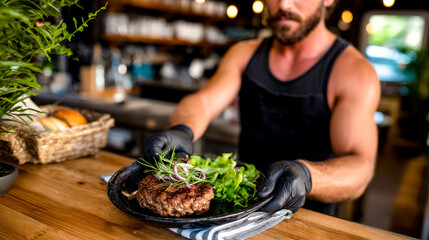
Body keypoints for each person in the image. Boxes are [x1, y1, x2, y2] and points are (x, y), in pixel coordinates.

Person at [143, 0, 380, 216]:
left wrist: (307, 176)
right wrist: (183, 128)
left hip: (310, 222)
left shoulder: (354, 72)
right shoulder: (244, 54)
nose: (284, 4)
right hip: (240, 212)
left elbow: (360, 167)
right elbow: (203, 101)